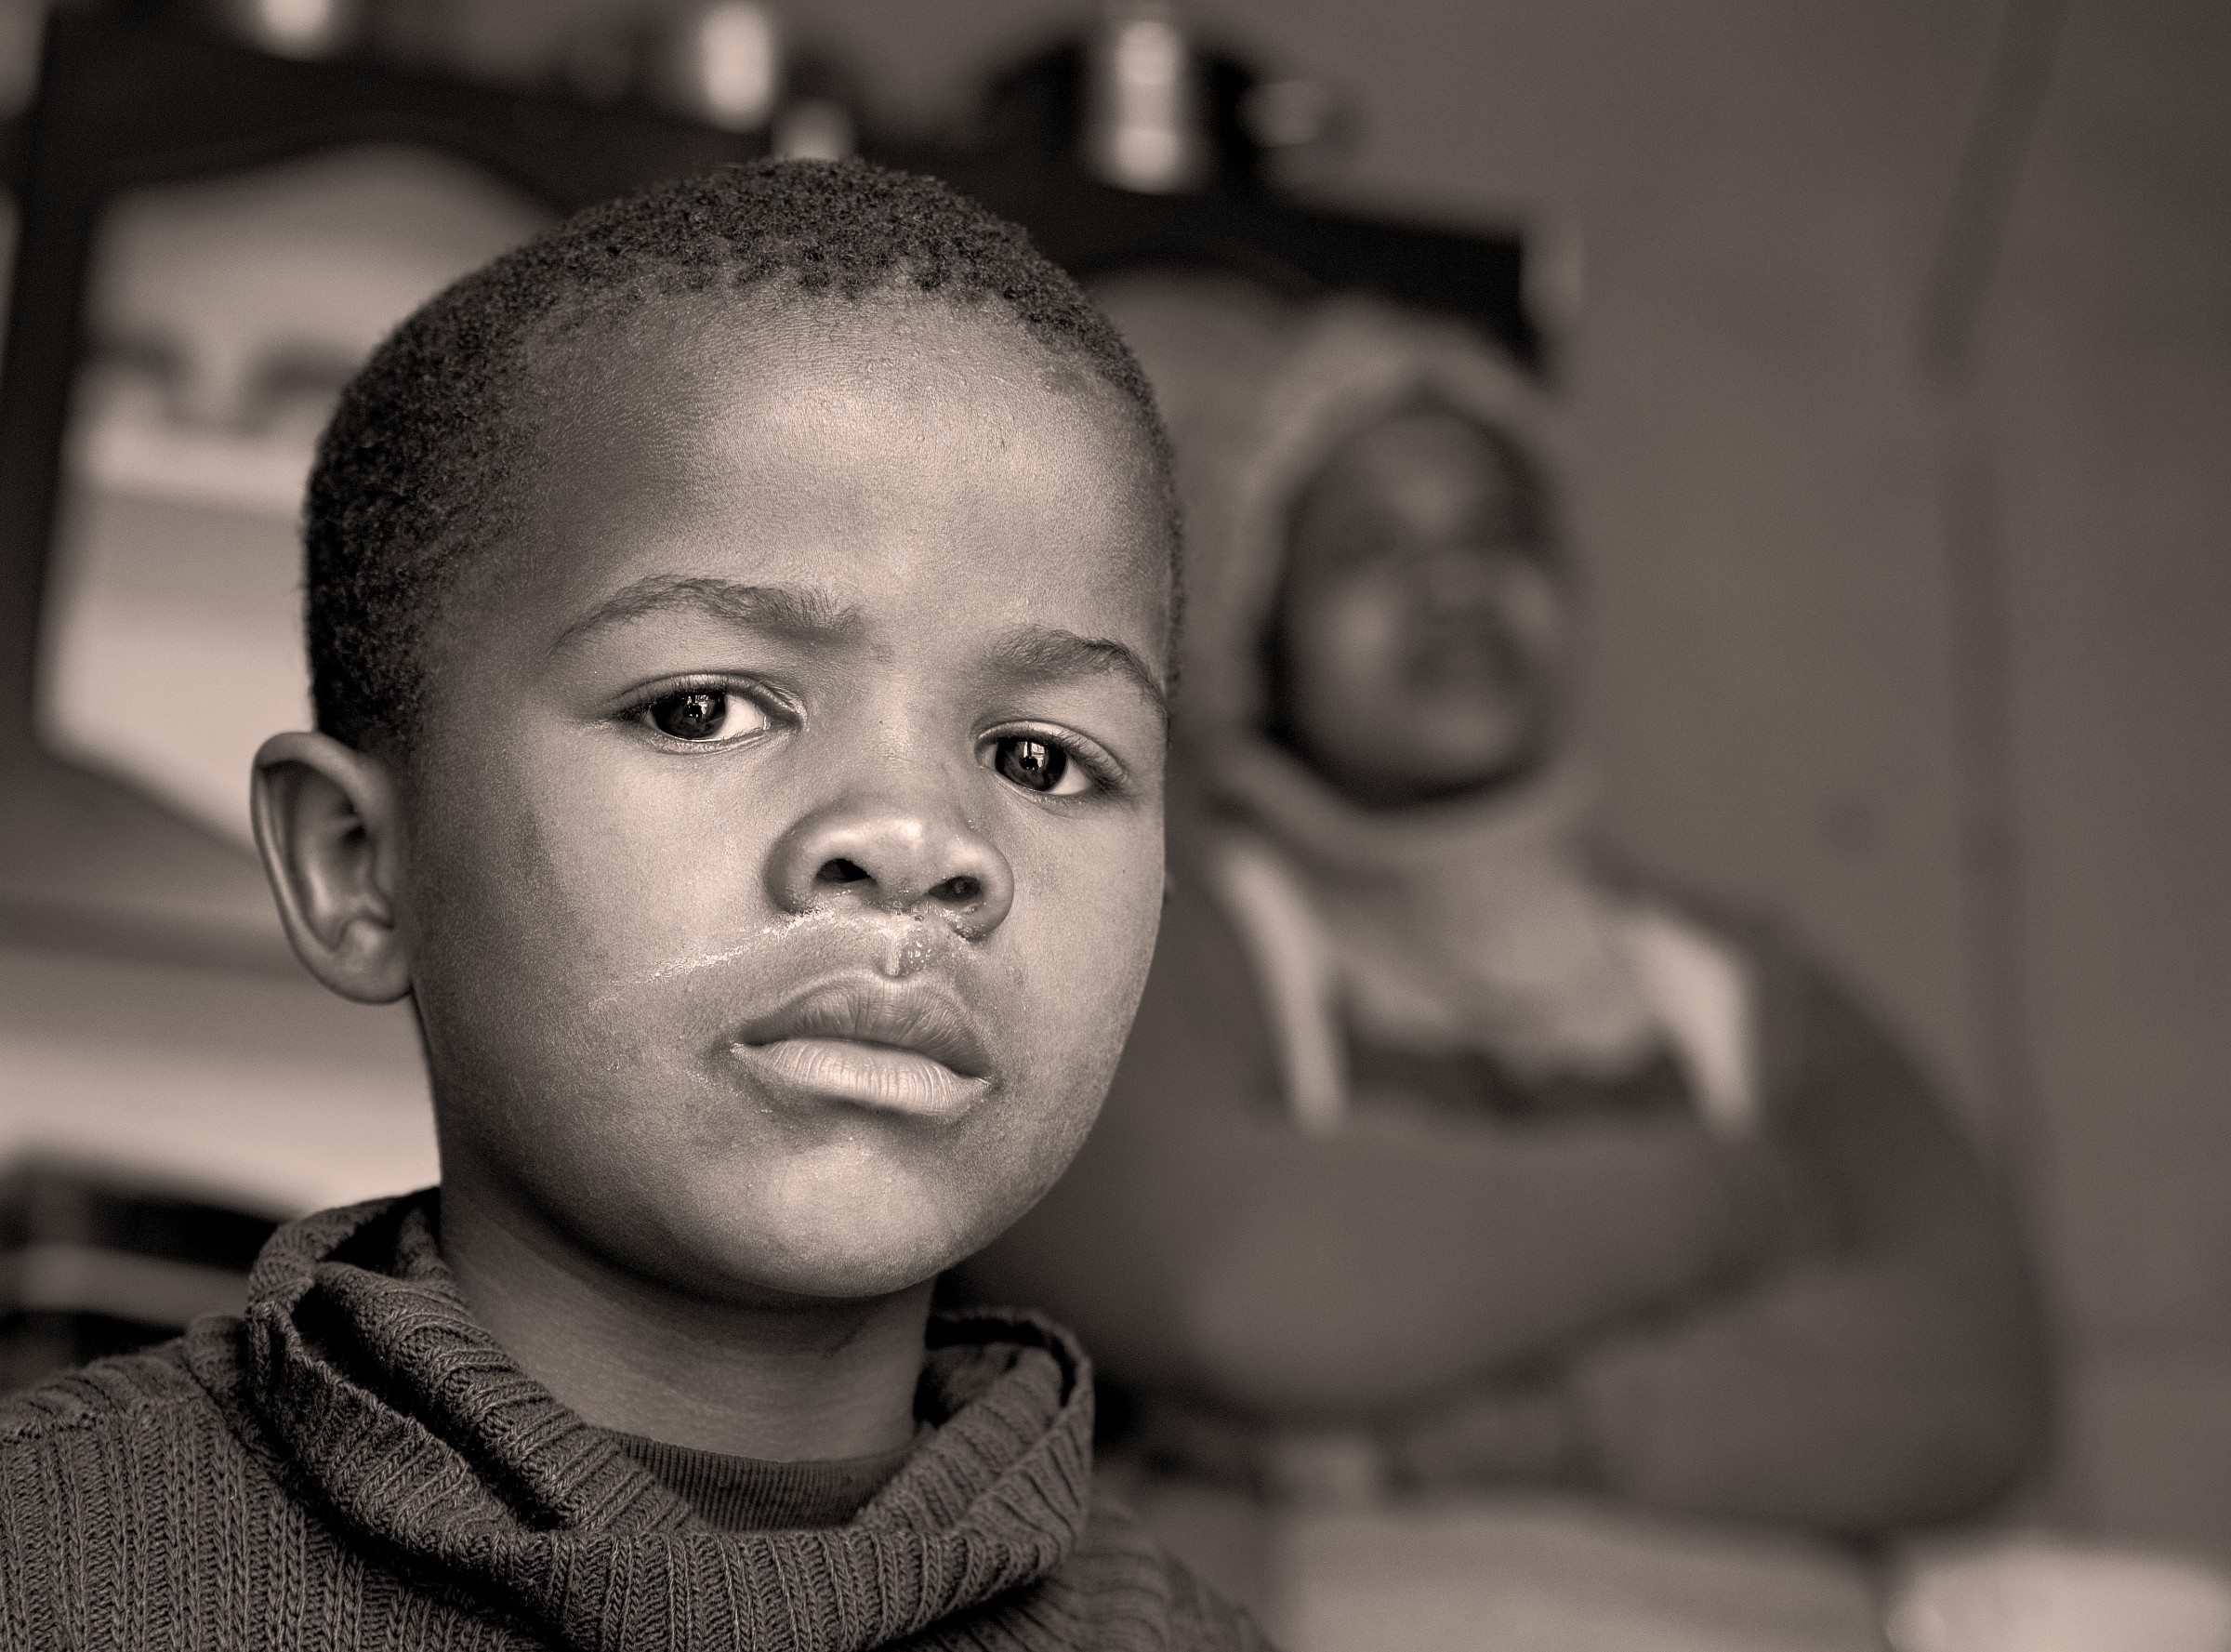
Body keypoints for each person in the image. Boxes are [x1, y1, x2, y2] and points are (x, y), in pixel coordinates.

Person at [0, 162, 1265, 1651]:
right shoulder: (49, 1575)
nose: (922, 842)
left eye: (1040, 758)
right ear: (355, 863)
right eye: (702, 708)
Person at [957, 275, 2051, 1543]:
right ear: (1258, 631)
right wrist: (1747, 1200)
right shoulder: (1158, 934)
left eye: (1499, 534)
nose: (1455, 588)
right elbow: (1238, 1289)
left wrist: (1455, 1447)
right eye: (1370, 548)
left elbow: (1972, 1381)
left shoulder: (1735, 989)